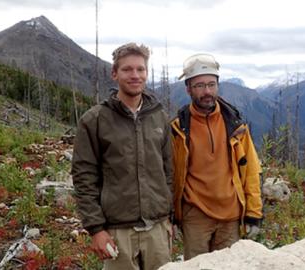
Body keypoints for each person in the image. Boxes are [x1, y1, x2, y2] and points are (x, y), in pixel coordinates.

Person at [72, 42, 173, 270]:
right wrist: (96, 229)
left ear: (146, 73)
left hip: (157, 229)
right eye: (127, 69)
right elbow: (84, 177)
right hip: (117, 231)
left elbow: (168, 170)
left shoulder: (159, 117)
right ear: (114, 74)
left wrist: (169, 218)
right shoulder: (94, 120)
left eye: (140, 69)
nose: (135, 75)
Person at [171, 53, 263, 260]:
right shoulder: (178, 129)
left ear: (218, 86)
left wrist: (254, 213)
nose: (207, 92)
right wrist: (172, 216)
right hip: (195, 216)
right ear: (188, 89)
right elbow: (171, 175)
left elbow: (251, 172)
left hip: (231, 216)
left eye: (211, 85)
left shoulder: (236, 126)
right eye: (199, 86)